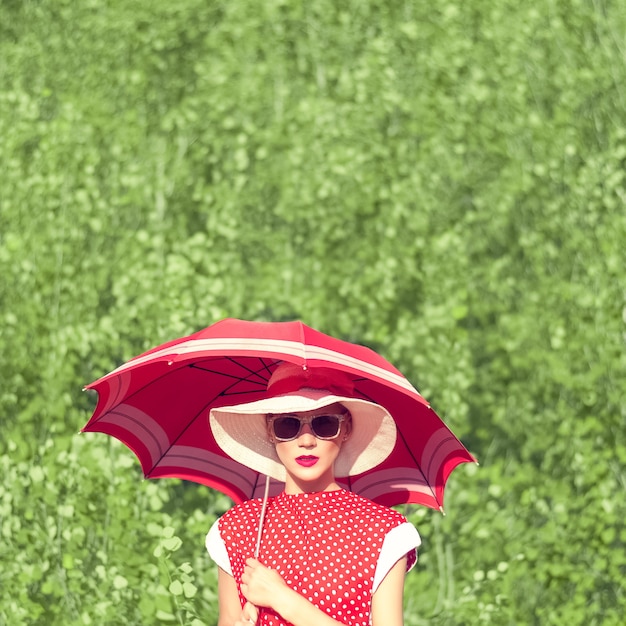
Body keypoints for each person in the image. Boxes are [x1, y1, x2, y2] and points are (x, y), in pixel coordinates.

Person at [206, 363, 421, 626]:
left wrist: (282, 598)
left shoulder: (383, 530)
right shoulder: (238, 527)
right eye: (287, 425)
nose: (306, 441)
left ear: (346, 429)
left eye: (324, 424)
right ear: (270, 430)